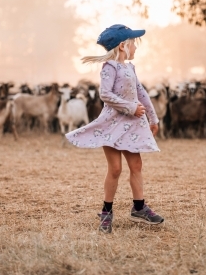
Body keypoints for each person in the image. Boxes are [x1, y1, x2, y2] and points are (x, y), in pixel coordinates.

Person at [65, 24, 164, 233]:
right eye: (133, 44)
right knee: (116, 169)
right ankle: (106, 212)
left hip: (132, 125)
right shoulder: (110, 67)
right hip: (112, 124)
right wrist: (130, 107)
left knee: (136, 165)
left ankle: (139, 208)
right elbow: (105, 94)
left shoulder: (130, 68)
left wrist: (153, 118)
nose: (136, 48)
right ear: (122, 46)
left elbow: (141, 92)